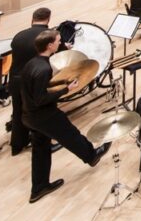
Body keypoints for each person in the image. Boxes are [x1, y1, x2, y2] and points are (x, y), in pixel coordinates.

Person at [21, 29, 109, 203]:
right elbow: (41, 98)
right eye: (58, 41)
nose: (60, 44)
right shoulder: (44, 69)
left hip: (29, 116)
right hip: (44, 115)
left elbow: (36, 90)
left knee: (41, 150)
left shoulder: (32, 64)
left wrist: (62, 80)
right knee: (71, 135)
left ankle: (39, 187)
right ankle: (91, 156)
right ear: (50, 45)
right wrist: (66, 89)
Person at [9, 7, 53, 155]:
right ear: (48, 19)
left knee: (17, 111)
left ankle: (17, 145)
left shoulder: (18, 36)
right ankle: (41, 142)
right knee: (40, 113)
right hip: (33, 80)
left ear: (32, 19)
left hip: (15, 79)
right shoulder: (47, 36)